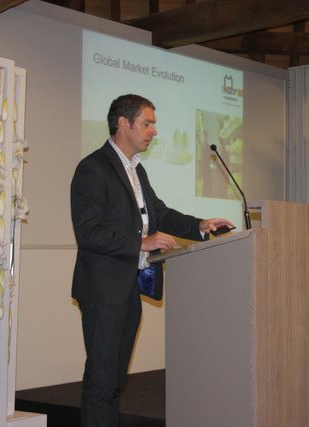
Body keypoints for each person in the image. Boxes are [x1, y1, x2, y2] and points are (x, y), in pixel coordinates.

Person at [70, 94, 234, 426]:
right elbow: (88, 233)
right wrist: (141, 243)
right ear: (123, 124)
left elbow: (159, 213)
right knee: (102, 381)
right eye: (147, 124)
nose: (154, 131)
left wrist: (199, 226)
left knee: (115, 381)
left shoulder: (136, 169)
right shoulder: (93, 168)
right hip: (103, 291)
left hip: (127, 289)